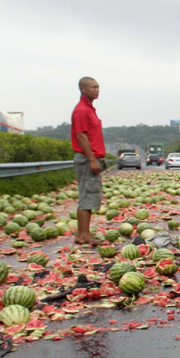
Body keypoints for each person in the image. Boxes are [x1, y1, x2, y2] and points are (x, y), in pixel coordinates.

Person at [71, 76, 106, 245]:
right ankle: (82, 235)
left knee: (90, 197)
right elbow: (81, 136)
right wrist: (92, 160)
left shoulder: (89, 109)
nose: (97, 90)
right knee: (87, 197)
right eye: (93, 87)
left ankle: (84, 233)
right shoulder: (82, 110)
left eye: (98, 87)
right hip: (86, 159)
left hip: (90, 158)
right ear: (83, 89)